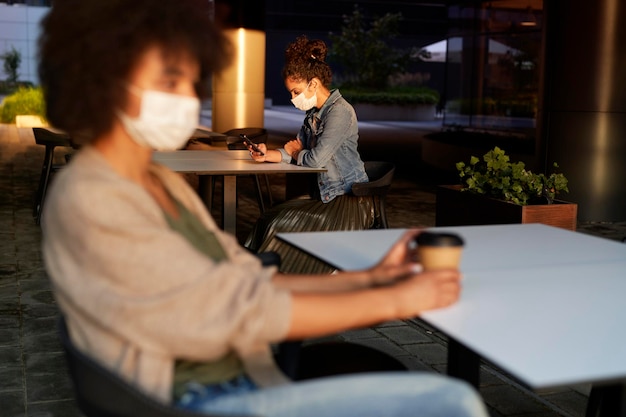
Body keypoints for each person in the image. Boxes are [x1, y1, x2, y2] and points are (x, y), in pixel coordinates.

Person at [38, 1, 488, 416]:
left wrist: (372, 278)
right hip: (206, 398)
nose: (186, 98)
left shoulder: (156, 183)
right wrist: (393, 299)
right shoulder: (91, 196)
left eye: (190, 80)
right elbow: (246, 308)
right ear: (104, 81)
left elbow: (247, 280)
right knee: (456, 401)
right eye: (169, 81)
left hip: (242, 374)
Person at [244, 36, 374, 274]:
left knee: (281, 224)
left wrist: (297, 152)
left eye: (296, 91)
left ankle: (279, 281)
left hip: (348, 201)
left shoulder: (340, 113)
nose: (293, 99)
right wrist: (267, 154)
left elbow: (313, 159)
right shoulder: (314, 114)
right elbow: (293, 150)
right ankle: (259, 276)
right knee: (268, 218)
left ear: (313, 84)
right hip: (325, 197)